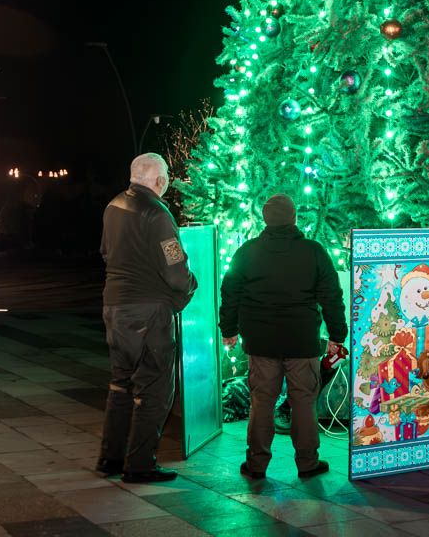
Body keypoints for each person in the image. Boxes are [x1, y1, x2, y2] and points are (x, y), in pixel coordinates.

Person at [220, 194, 347, 480]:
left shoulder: (247, 252)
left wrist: (228, 329)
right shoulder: (313, 252)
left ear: (265, 219)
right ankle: (307, 462)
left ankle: (256, 464)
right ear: (294, 217)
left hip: (261, 341)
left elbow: (230, 292)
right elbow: (331, 296)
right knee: (303, 400)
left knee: (261, 401)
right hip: (301, 341)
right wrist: (337, 334)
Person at [96, 153, 197, 484]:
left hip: (114, 307)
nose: (167, 180)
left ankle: (110, 457)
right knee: (155, 386)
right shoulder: (158, 214)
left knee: (120, 382)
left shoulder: (112, 206)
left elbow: (107, 253)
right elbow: (175, 268)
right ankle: (139, 463)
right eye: (166, 175)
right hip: (148, 312)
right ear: (158, 180)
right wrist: (189, 286)